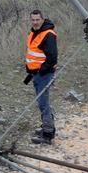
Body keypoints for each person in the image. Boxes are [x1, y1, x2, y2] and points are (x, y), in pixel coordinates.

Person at [24, 10, 58, 143]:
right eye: (33, 20)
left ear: (43, 19)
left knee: (43, 103)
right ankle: (47, 126)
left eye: (37, 20)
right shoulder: (33, 32)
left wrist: (40, 71)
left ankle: (48, 134)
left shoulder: (48, 35)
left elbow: (52, 58)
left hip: (43, 74)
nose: (35, 22)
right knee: (42, 102)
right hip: (36, 74)